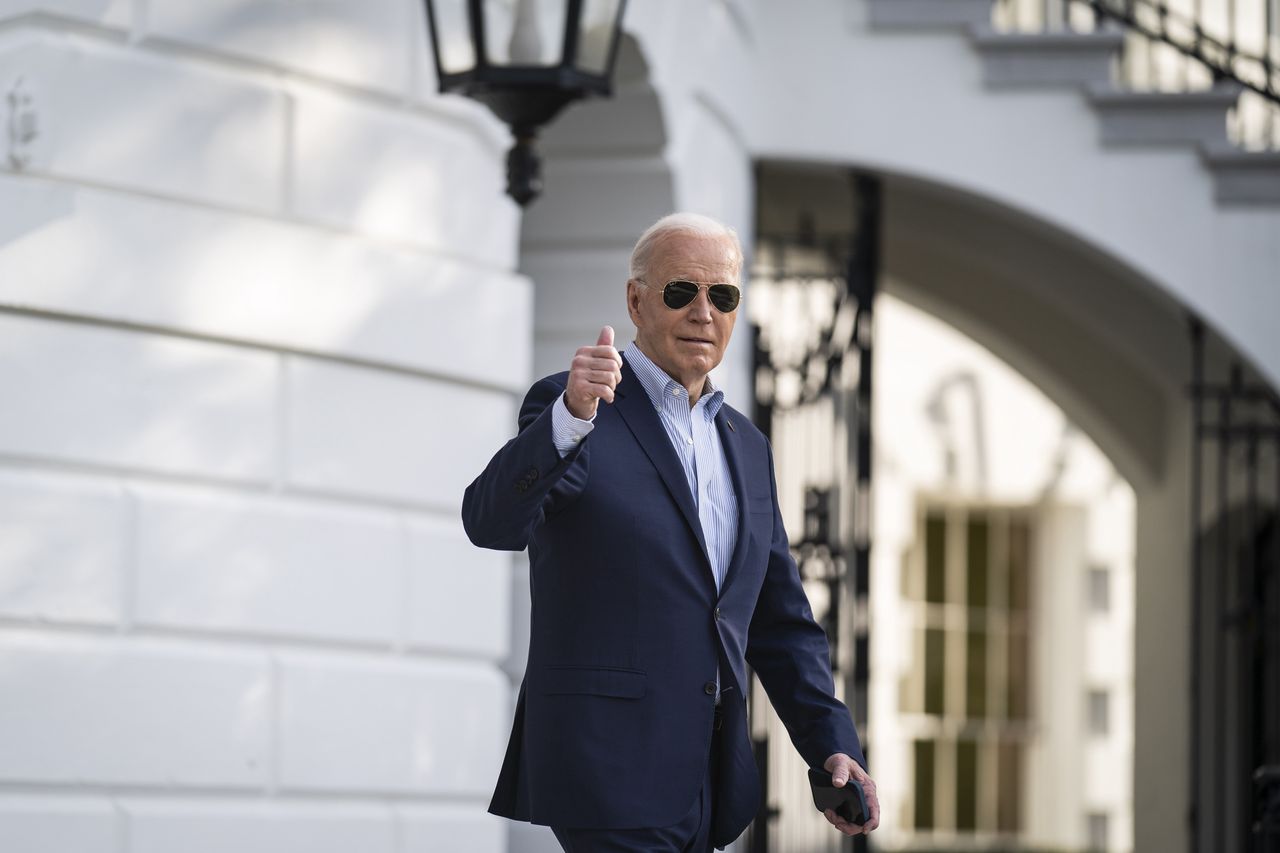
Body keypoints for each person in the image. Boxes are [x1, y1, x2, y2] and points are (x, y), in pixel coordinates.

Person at [462, 212, 879, 851]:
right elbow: (490, 522)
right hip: (606, 766)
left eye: (724, 296)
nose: (703, 312)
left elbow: (779, 618)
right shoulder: (574, 407)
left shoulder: (745, 443)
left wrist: (831, 744)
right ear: (636, 299)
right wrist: (570, 419)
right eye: (681, 291)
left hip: (711, 778)